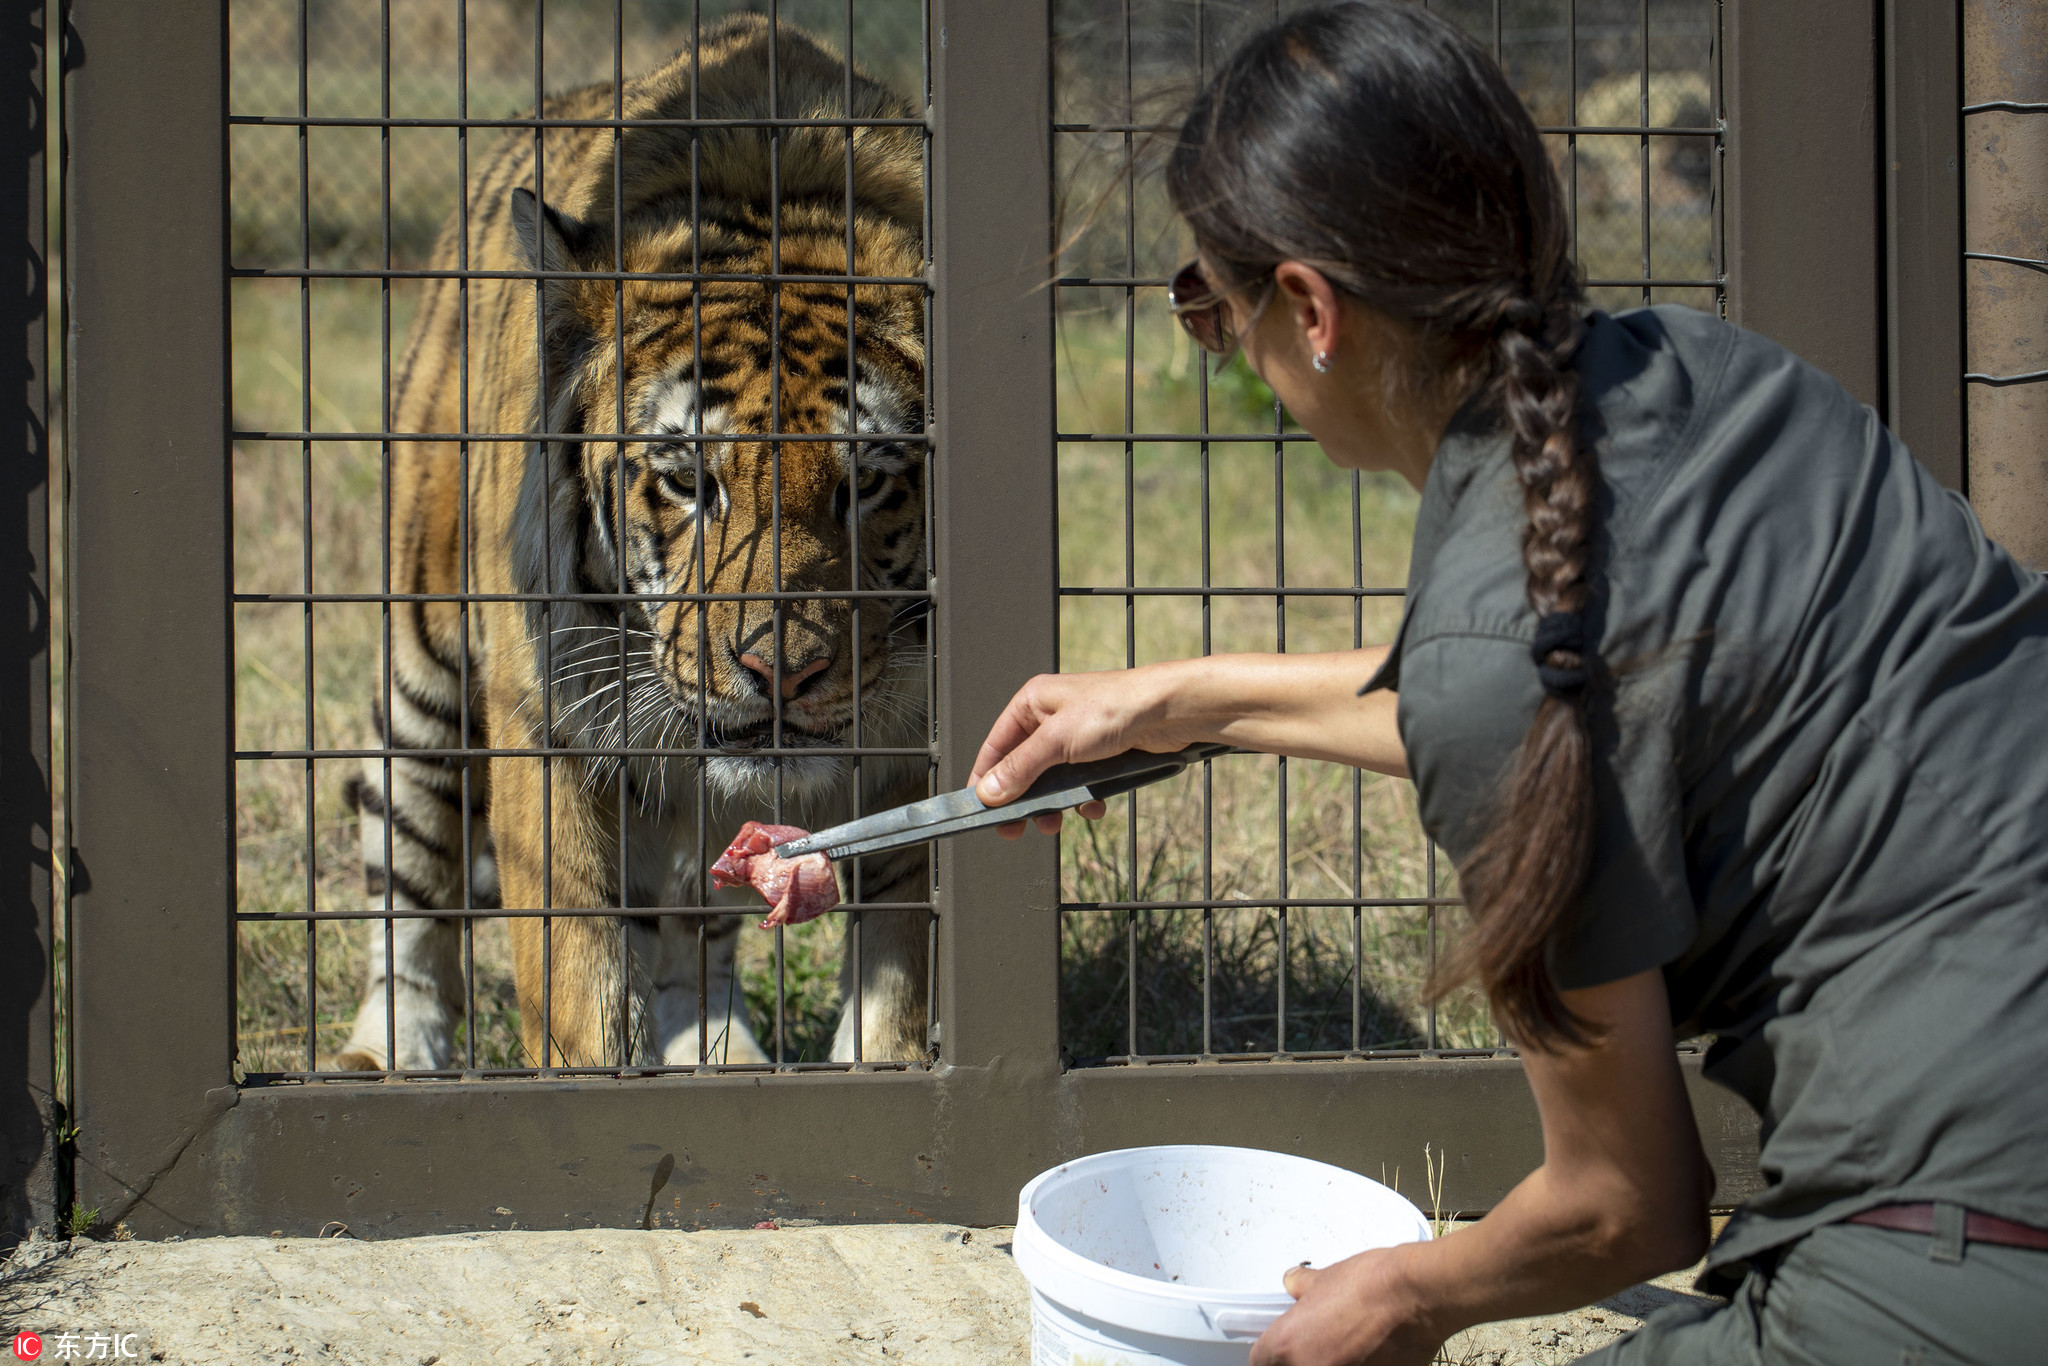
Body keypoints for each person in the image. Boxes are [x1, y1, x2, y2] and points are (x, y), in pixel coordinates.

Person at [966, 5, 2048, 1363]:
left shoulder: (1501, 664)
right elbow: (1563, 694)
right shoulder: (1718, 378)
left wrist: (1415, 1286)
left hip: (1972, 1251)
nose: (1217, 339)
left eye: (1209, 306)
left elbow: (1627, 1208)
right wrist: (1178, 700)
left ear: (1307, 310)